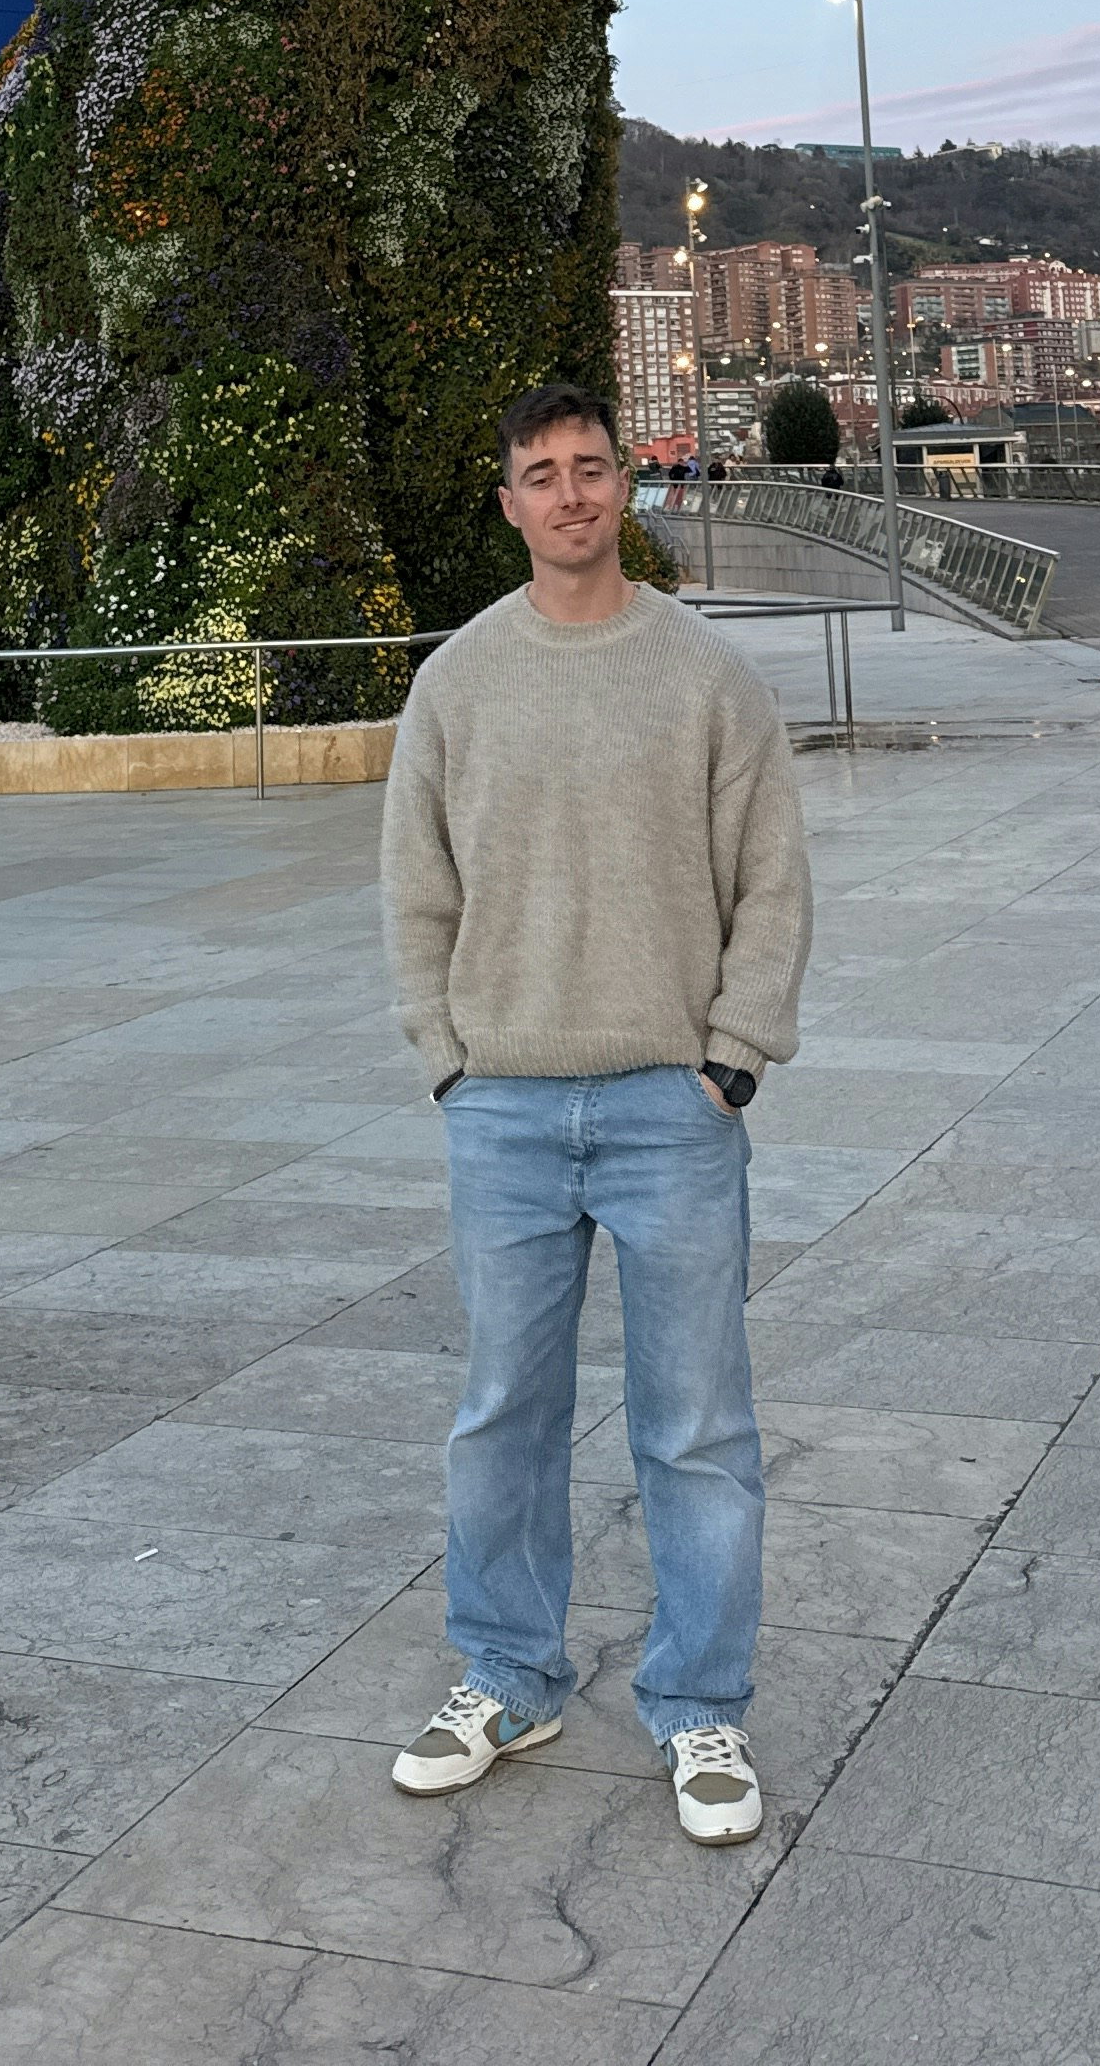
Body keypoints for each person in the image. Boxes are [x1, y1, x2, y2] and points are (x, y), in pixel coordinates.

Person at [380, 378, 811, 1848]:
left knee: (695, 1424)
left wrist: (734, 1055)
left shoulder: (701, 674)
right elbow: (412, 885)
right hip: (502, 1106)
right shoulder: (457, 682)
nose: (568, 493)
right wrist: (448, 1053)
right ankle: (508, 1673)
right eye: (540, 473)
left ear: (626, 486)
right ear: (506, 502)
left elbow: (770, 876)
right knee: (503, 1412)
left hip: (667, 1104)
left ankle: (702, 1711)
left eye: (591, 468)